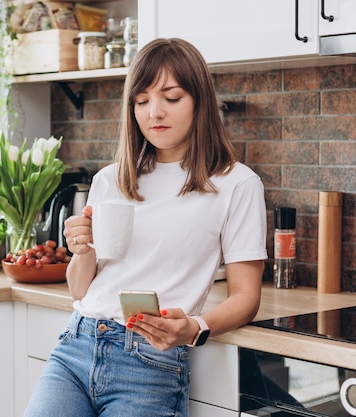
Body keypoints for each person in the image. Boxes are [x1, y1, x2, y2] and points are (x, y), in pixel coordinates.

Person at [23, 38, 267, 417]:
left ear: (199, 100)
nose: (155, 112)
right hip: (77, 345)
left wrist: (194, 327)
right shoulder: (112, 179)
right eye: (142, 100)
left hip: (149, 361)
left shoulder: (236, 184)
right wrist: (82, 250)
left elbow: (246, 297)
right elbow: (80, 288)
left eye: (171, 97)